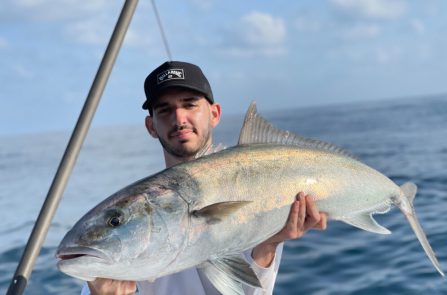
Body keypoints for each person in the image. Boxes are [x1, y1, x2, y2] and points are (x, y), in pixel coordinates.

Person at [82, 61, 327, 295]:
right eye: (165, 110)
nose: (179, 119)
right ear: (151, 126)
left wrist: (269, 244)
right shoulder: (133, 216)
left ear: (215, 113)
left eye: (189, 105)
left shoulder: (258, 183)